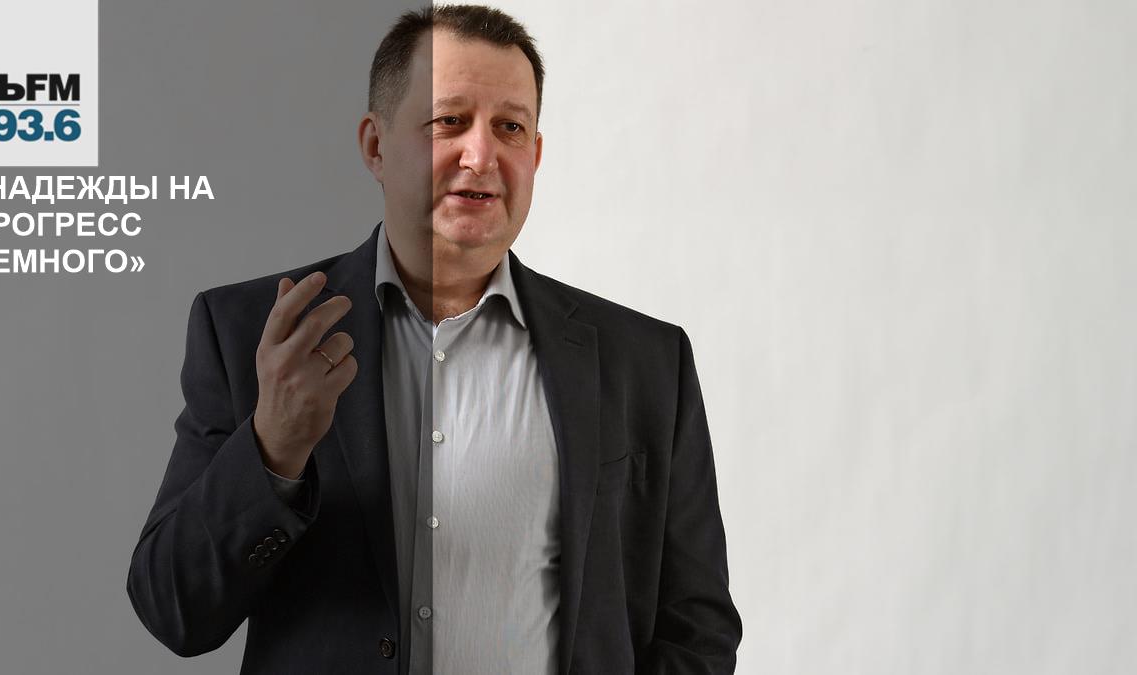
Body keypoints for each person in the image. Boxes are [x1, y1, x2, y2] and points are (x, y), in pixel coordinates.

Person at [126, 5, 741, 674]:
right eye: (449, 121)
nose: (482, 155)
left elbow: (697, 627)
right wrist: (273, 448)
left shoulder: (644, 362)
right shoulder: (253, 334)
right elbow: (174, 611)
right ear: (375, 146)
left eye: (510, 127)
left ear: (535, 156)